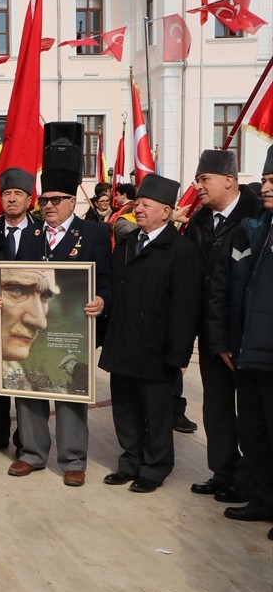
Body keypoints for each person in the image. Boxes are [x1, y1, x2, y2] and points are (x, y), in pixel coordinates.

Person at [1, 124, 111, 488]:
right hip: (31, 326)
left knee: (70, 388)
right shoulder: (28, 234)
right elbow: (10, 277)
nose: (47, 206)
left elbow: (106, 279)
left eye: (56, 200)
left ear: (71, 202)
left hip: (72, 328)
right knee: (28, 385)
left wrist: (102, 300)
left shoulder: (93, 233)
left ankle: (73, 459)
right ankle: (31, 453)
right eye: (44, 200)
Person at [99, 173, 202, 493]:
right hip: (122, 341)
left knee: (157, 414)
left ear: (166, 212)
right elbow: (115, 290)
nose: (138, 209)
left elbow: (186, 308)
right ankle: (130, 461)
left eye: (145, 205)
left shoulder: (181, 251)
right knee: (125, 408)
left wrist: (179, 354)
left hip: (156, 348)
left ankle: (155, 467)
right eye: (137, 204)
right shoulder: (127, 244)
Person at [183, 148, 261, 504]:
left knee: (251, 413)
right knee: (216, 407)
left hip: (245, 334)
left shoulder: (256, 217)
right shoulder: (199, 221)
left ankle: (249, 480)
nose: (198, 186)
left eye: (204, 179)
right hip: (211, 333)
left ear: (229, 181)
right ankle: (223, 471)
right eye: (198, 179)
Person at [206, 145, 273, 532]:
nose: (264, 187)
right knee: (256, 432)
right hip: (246, 354)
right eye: (264, 180)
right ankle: (263, 499)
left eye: (271, 181)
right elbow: (226, 289)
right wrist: (225, 340)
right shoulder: (254, 230)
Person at [0, 168, 42, 453]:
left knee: (27, 381)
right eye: (7, 194)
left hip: (29, 323)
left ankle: (25, 439)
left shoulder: (41, 233)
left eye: (18, 194)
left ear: (29, 200)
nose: (12, 199)